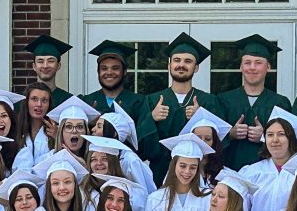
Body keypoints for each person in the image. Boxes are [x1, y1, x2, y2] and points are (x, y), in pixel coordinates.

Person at [141, 34, 224, 184]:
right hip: (161, 173)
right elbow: (141, 146)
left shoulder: (209, 101)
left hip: (197, 173)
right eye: (177, 60)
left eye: (188, 61)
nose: (181, 65)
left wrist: (201, 117)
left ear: (196, 67)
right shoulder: (152, 100)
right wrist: (151, 119)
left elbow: (218, 143)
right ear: (169, 65)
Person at [217, 35, 292, 170]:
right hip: (229, 172)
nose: (252, 67)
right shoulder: (223, 101)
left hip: (268, 175)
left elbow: (289, 142)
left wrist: (265, 136)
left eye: (258, 63)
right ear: (241, 67)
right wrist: (230, 133)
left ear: (268, 67)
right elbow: (211, 139)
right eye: (247, 62)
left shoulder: (280, 103)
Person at [80, 40, 150, 136]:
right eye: (104, 68)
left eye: (115, 68)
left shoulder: (139, 102)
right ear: (98, 72)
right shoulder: (86, 102)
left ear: (124, 71)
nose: (109, 72)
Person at [92, 103, 157, 193]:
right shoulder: (99, 154)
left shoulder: (129, 160)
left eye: (99, 126)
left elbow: (142, 192)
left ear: (114, 133)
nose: (93, 129)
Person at [180, 108, 232, 189]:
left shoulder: (224, 174)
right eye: (198, 138)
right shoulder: (179, 171)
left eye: (207, 139)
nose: (202, 142)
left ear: (214, 142)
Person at [13, 82, 56, 170]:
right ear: (26, 102)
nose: (39, 104)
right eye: (34, 99)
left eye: (44, 100)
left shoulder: (55, 132)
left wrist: (58, 138)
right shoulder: (15, 130)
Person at [24, 35, 73, 108]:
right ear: (34, 66)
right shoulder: (22, 100)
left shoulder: (68, 100)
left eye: (51, 61)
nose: (45, 66)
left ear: (58, 65)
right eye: (40, 61)